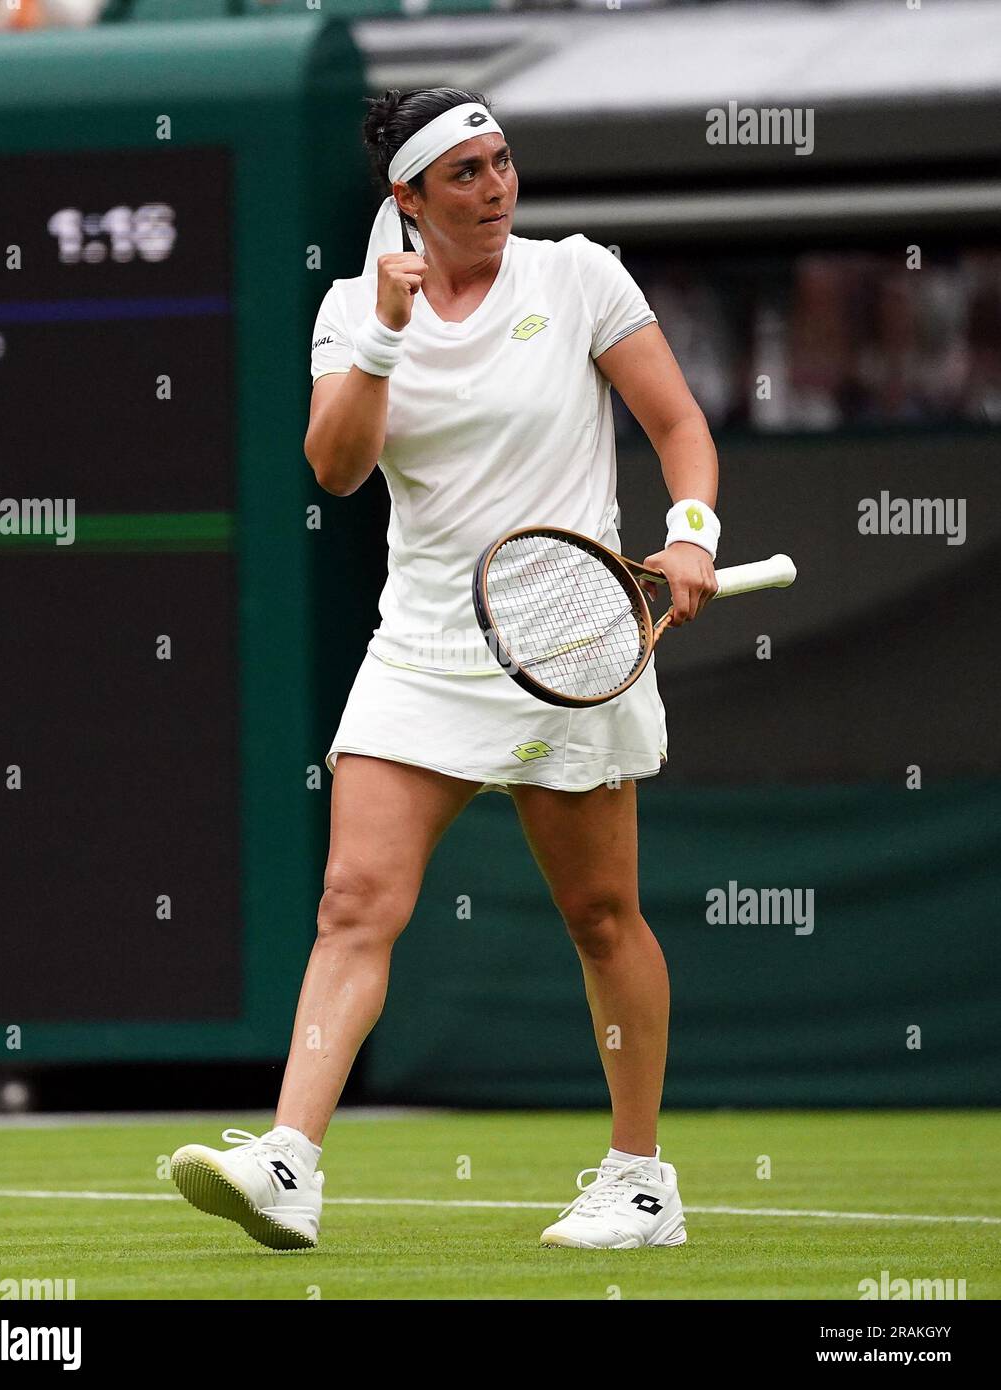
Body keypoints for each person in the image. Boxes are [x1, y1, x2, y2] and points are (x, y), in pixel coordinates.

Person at [170, 87, 720, 1253]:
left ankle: (639, 1180)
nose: (495, 187)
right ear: (406, 198)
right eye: (463, 173)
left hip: (570, 637)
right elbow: (335, 467)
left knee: (602, 914)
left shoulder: (579, 277)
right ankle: (289, 1162)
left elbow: (678, 424)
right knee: (352, 902)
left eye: (502, 161)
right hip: (423, 646)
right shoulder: (350, 310)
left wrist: (691, 534)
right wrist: (379, 330)